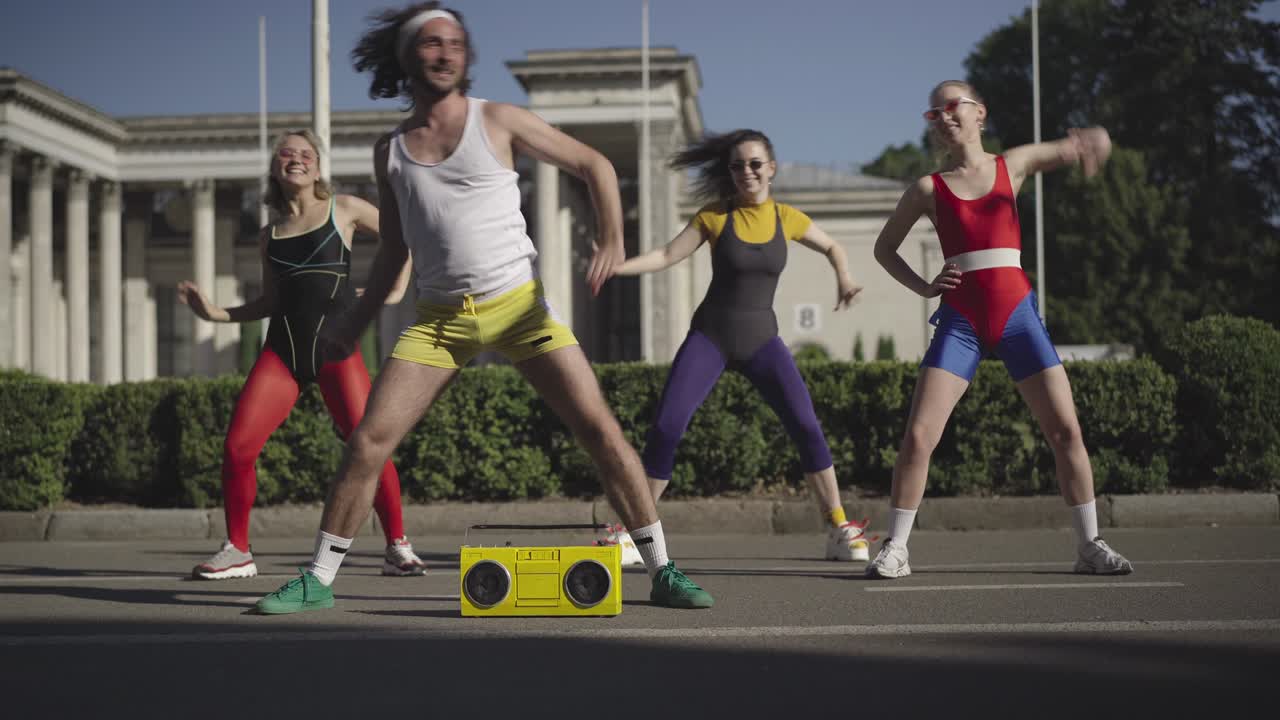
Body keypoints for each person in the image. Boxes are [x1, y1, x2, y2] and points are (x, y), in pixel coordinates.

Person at [253, 2, 713, 613]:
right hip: (440, 322)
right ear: (407, 57)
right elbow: (394, 249)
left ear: (466, 59)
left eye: (455, 44)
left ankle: (663, 570)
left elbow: (594, 164)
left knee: (600, 430)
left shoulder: (496, 119)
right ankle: (316, 580)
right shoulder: (388, 151)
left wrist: (613, 238)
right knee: (367, 443)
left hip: (520, 309)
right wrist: (355, 323)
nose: (444, 53)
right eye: (431, 44)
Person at [867, 80, 1133, 578]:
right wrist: (925, 287)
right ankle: (896, 548)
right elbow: (885, 249)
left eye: (952, 107)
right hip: (961, 322)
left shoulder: (1014, 163)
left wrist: (1095, 140)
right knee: (919, 436)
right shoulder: (929, 188)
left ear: (979, 113)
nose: (943, 118)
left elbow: (1078, 143)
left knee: (1065, 430)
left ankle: (1089, 545)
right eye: (933, 114)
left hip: (1018, 317)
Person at [604, 129, 869, 565]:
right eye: (737, 165)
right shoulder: (715, 216)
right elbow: (668, 255)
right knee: (668, 426)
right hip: (710, 337)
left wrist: (844, 276)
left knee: (805, 425)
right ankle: (637, 535)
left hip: (762, 339)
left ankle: (839, 528)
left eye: (754, 164)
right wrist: (620, 267)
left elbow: (833, 245)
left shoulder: (787, 217)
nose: (746, 172)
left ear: (771, 168)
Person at [179, 129, 426, 580]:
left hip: (337, 349)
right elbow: (269, 304)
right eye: (286, 154)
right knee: (237, 448)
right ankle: (238, 549)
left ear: (318, 165)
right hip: (283, 353)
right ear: (275, 167)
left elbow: (402, 239)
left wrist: (392, 288)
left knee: (368, 445)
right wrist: (214, 313)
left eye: (306, 154)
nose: (296, 159)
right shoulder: (268, 235)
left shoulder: (344, 208)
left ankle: (397, 544)